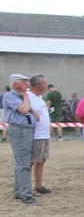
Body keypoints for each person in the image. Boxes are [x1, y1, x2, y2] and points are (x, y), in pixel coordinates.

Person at [4, 74, 38, 204]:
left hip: (27, 129)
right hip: (19, 130)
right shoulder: (10, 96)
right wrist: (25, 97)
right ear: (15, 84)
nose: (27, 85)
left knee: (22, 161)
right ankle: (26, 194)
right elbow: (24, 110)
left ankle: (19, 191)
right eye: (24, 83)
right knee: (23, 162)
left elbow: (31, 110)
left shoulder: (21, 97)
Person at [28, 74, 53, 195]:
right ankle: (26, 187)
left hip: (44, 134)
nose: (46, 86)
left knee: (42, 160)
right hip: (35, 135)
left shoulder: (39, 97)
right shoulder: (28, 97)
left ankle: (39, 185)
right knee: (30, 162)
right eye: (44, 84)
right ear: (37, 85)